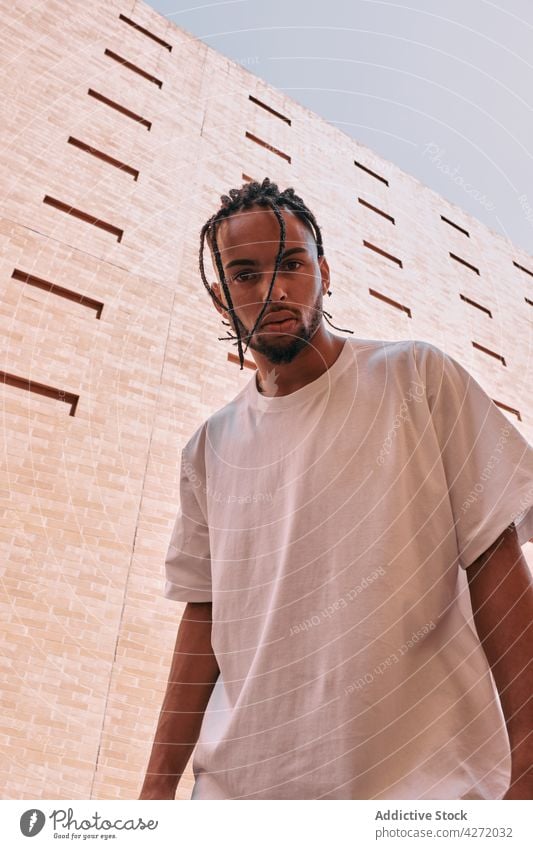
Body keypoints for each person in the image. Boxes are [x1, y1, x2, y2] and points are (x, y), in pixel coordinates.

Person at [140, 178, 533, 800]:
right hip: (241, 798)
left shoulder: (416, 378)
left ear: (323, 270)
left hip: (418, 792)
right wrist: (156, 790)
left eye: (291, 264)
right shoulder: (209, 450)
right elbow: (203, 616)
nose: (273, 289)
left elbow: (497, 568)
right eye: (245, 274)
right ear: (221, 298)